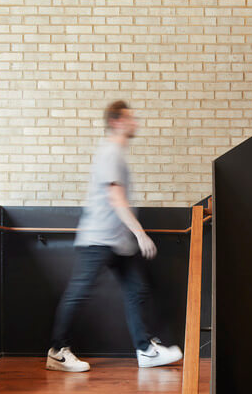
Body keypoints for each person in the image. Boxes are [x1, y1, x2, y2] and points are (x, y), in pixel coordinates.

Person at [47, 100, 183, 373]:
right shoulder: (110, 152)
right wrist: (140, 234)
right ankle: (57, 351)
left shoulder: (116, 153)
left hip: (118, 243)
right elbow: (116, 198)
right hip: (99, 238)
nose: (135, 122)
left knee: (137, 290)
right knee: (79, 293)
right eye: (130, 118)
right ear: (116, 122)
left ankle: (145, 351)